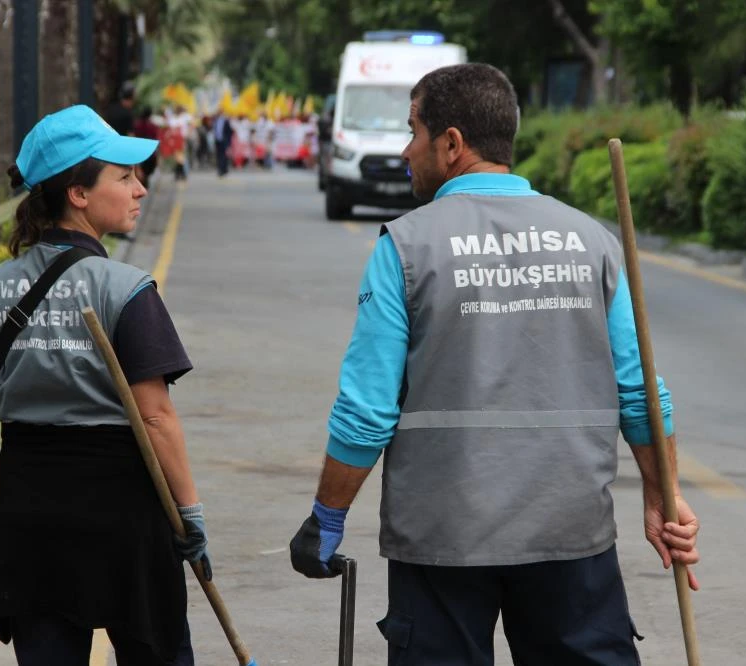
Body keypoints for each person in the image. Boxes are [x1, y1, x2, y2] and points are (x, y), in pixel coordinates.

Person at [289, 63, 701, 665]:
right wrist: (664, 496)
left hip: (443, 543)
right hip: (570, 534)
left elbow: (365, 411)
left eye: (412, 131)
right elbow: (641, 393)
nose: (405, 150)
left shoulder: (406, 245)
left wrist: (328, 515)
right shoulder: (592, 241)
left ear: (451, 144)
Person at [0, 104, 208, 665]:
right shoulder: (127, 289)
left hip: (31, 516)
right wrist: (189, 514)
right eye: (124, 176)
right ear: (79, 194)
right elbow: (157, 418)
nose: (139, 189)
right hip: (126, 517)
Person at [212, 110, 234, 177]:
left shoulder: (226, 121)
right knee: (219, 155)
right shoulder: (215, 121)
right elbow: (215, 130)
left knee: (224, 156)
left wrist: (229, 143)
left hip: (224, 141)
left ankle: (223, 169)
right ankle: (220, 169)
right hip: (218, 140)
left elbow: (229, 132)